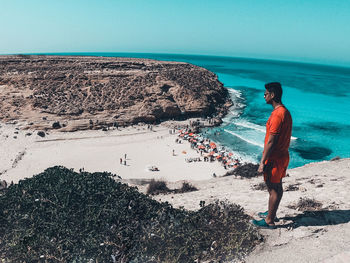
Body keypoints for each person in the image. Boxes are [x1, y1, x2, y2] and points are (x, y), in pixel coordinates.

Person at [252, 82, 292, 229]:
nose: (264, 95)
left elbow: (271, 141)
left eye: (266, 93)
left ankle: (269, 220)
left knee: (273, 188)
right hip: (283, 155)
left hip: (274, 157)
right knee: (276, 186)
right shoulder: (285, 112)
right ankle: (271, 212)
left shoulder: (277, 115)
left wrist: (262, 162)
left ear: (272, 95)